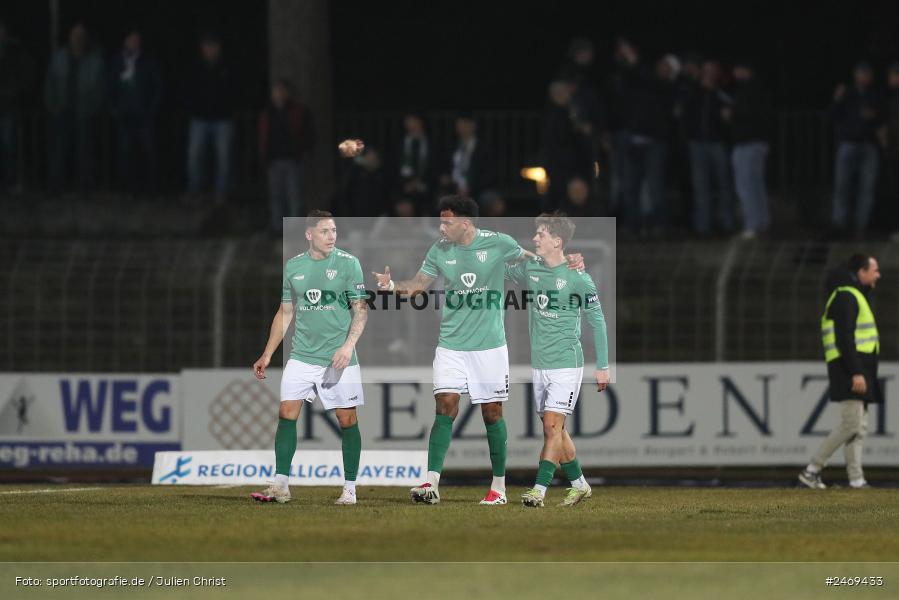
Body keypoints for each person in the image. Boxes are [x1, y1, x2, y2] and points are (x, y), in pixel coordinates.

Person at [372, 196, 584, 505]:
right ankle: (431, 483)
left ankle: (498, 487)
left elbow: (536, 260)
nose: (440, 226)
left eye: (446, 222)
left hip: (489, 347)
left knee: (491, 412)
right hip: (451, 345)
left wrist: (571, 260)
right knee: (445, 405)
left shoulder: (499, 243)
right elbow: (418, 285)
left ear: (465, 223)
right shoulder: (439, 250)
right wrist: (391, 286)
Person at [251, 209, 370, 505]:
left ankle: (350, 489)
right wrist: (267, 353)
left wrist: (348, 346)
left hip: (337, 358)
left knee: (347, 419)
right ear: (309, 234)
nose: (332, 236)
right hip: (302, 356)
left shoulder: (348, 263)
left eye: (334, 231)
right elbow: (286, 311)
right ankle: (280, 486)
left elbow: (361, 309)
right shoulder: (293, 267)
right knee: (286, 414)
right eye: (325, 231)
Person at [505, 213, 609, 507]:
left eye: (541, 234)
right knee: (556, 430)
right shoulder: (531, 270)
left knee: (552, 426)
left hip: (566, 362)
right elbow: (500, 270)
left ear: (557, 241)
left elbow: (598, 322)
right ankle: (580, 485)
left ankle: (538, 489)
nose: (535, 238)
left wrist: (602, 366)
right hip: (540, 364)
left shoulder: (578, 278)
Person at [800, 254, 881, 490]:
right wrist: (856, 372)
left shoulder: (851, 295)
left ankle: (856, 480)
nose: (878, 274)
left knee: (858, 426)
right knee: (852, 425)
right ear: (860, 272)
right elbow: (844, 338)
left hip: (856, 369)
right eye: (874, 270)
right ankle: (812, 470)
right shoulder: (846, 296)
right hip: (849, 369)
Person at [44, 22, 105, 193]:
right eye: (74, 34)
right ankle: (55, 187)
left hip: (84, 113)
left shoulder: (95, 59)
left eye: (81, 34)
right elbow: (50, 83)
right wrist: (52, 107)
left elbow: (100, 88)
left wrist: (92, 109)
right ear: (69, 36)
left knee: (84, 153)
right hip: (62, 111)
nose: (77, 38)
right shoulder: (59, 57)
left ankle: (84, 188)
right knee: (58, 152)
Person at [829, 62, 886, 234]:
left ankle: (860, 226)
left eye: (867, 73)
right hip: (848, 143)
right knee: (842, 185)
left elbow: (883, 118)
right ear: (855, 75)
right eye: (861, 73)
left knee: (866, 188)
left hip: (869, 144)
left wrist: (874, 116)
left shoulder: (876, 95)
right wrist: (837, 99)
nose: (864, 76)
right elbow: (832, 116)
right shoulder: (848, 93)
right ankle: (839, 224)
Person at [682, 60, 735, 235]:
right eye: (706, 70)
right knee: (700, 186)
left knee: (724, 185)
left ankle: (727, 224)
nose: (708, 73)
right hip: (696, 144)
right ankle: (703, 227)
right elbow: (684, 112)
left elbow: (731, 114)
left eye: (712, 70)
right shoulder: (693, 91)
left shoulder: (723, 92)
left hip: (718, 143)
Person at [107, 29, 162, 196]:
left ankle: (151, 188)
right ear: (125, 42)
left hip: (143, 115)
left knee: (148, 150)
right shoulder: (117, 61)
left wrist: (152, 109)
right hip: (124, 114)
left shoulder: (148, 61)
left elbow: (157, 86)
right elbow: (110, 85)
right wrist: (113, 107)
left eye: (137, 40)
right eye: (131, 39)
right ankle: (128, 188)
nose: (134, 43)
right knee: (125, 151)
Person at [258, 78, 315, 234]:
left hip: (292, 159)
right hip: (274, 160)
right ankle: (278, 228)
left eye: (282, 91)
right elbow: (264, 136)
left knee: (294, 196)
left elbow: (307, 134)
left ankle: (294, 230)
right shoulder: (268, 113)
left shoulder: (298, 111)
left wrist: (303, 150)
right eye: (276, 91)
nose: (279, 94)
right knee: (276, 196)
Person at [184, 33, 234, 204]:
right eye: (207, 45)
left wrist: (230, 108)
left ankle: (221, 193)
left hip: (223, 118)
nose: (210, 49)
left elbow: (236, 90)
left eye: (213, 45)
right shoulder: (195, 67)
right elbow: (188, 90)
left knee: (223, 158)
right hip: (199, 118)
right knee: (195, 156)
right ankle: (195, 191)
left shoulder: (227, 66)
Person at [725, 59, 772, 239]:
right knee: (756, 184)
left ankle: (753, 224)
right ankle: (762, 222)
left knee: (746, 185)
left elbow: (747, 113)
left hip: (748, 143)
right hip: (757, 142)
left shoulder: (748, 90)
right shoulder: (759, 88)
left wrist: (732, 114)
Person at [439, 114, 495, 203]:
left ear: (473, 126)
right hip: (453, 188)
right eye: (459, 125)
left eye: (465, 124)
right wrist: (446, 179)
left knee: (493, 202)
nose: (462, 128)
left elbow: (489, 174)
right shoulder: (452, 147)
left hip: (477, 189)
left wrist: (470, 187)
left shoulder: (483, 149)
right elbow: (445, 169)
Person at [394, 112, 433, 216]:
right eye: (408, 121)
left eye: (413, 121)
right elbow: (394, 169)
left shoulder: (430, 143)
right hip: (403, 188)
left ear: (420, 123)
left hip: (426, 188)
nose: (410, 124)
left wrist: (421, 183)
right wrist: (404, 185)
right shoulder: (400, 144)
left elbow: (435, 168)